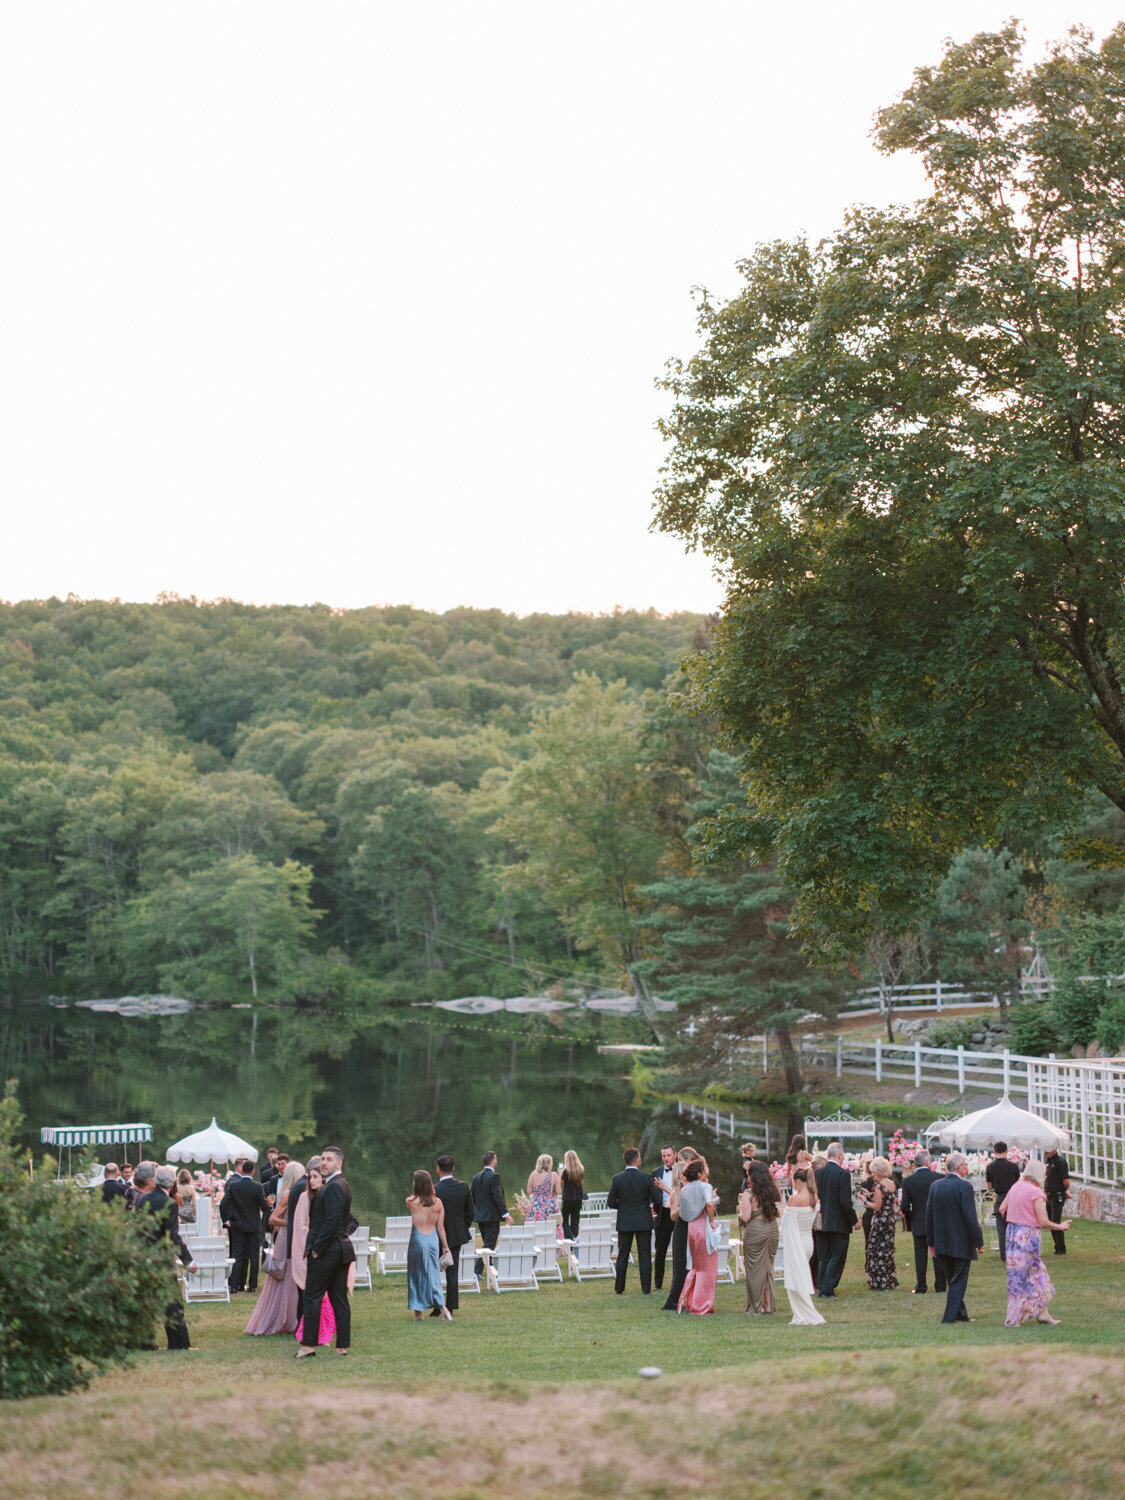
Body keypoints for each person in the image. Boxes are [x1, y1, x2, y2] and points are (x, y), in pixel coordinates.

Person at [295, 1145, 354, 1359]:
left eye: (329, 1159)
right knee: (338, 1298)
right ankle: (341, 1347)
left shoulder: (336, 1186)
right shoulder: (334, 1185)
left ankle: (307, 1346)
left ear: (339, 1163)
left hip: (329, 1251)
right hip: (339, 1250)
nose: (324, 1162)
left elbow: (331, 1222)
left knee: (312, 1297)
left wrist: (317, 1249)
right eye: (322, 1158)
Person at [999, 1157, 1070, 1326]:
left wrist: (1014, 1220)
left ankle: (1042, 1314)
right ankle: (1013, 1318)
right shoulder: (1036, 1193)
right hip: (1028, 1236)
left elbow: (1002, 1209)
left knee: (1026, 1275)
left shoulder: (1015, 1187)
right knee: (1029, 1275)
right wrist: (1060, 1227)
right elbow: (1043, 1221)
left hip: (1012, 1235)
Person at [134, 1163, 198, 1349]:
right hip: (160, 1259)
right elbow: (172, 1236)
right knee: (172, 1304)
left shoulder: (141, 1199)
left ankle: (144, 1343)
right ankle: (178, 1343)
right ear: (172, 1182)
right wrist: (189, 1260)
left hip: (143, 1256)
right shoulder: (169, 1204)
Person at [925, 1150, 984, 1324]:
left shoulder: (935, 1186)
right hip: (960, 1242)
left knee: (953, 1280)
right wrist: (978, 1241)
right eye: (965, 1165)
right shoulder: (964, 1186)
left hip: (942, 1240)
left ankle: (961, 1313)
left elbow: (929, 1214)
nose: (966, 1168)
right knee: (958, 1281)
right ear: (959, 1168)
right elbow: (970, 1217)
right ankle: (949, 1318)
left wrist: (931, 1242)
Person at [244, 1159, 302, 1336]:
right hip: (286, 1238)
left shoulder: (300, 1193)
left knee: (295, 1278)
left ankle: (295, 1319)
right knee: (283, 1275)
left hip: (294, 1237)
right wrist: (291, 1223)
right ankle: (281, 1318)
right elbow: (272, 1219)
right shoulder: (288, 1194)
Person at [607, 1147, 663, 1295]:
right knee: (645, 1256)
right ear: (637, 1160)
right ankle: (646, 1288)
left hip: (625, 1221)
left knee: (622, 1255)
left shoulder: (617, 1179)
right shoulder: (646, 1178)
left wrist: (623, 1206)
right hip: (643, 1221)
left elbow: (610, 1202)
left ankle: (619, 1288)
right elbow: (657, 1199)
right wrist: (652, 1209)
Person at [406, 1169, 454, 1322]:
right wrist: (445, 1247)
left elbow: (416, 1198)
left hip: (417, 1241)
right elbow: (441, 1227)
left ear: (417, 1184)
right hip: (433, 1240)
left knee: (416, 1274)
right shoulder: (438, 1202)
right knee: (433, 1274)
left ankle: (418, 1312)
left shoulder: (410, 1201)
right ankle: (443, 1308)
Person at [779, 1166, 824, 1325]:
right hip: (808, 1242)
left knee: (795, 1280)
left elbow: (786, 1222)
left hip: (796, 1243)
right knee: (801, 1277)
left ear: (798, 1181)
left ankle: (810, 1315)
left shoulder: (794, 1199)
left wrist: (780, 1211)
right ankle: (804, 1314)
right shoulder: (814, 1197)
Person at [814, 1143, 858, 1297]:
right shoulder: (842, 1174)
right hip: (838, 1222)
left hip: (820, 1221)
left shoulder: (816, 1173)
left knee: (823, 1256)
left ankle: (822, 1286)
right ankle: (827, 1288)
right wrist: (854, 1220)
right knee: (837, 1255)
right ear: (840, 1156)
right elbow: (845, 1202)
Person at [219, 1157, 269, 1294]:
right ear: (252, 1171)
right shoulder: (258, 1187)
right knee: (253, 1257)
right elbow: (264, 1207)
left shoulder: (234, 1186)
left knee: (237, 1255)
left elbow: (223, 1204)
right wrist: (267, 1204)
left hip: (238, 1225)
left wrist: (226, 1220)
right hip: (253, 1225)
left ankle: (234, 1285)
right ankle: (252, 1286)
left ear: (243, 1170)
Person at [901, 1150, 945, 1296]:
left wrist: (912, 1217)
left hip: (919, 1221)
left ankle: (921, 1285)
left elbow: (904, 1206)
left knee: (920, 1256)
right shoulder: (939, 1178)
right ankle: (940, 1285)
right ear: (927, 1162)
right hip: (937, 1222)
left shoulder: (908, 1181)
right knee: (937, 1255)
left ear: (915, 1164)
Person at [677, 1159, 718, 1315]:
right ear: (700, 1173)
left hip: (691, 1228)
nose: (707, 1172)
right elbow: (709, 1204)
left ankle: (685, 1301)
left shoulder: (685, 1189)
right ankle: (702, 1305)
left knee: (696, 1267)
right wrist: (712, 1221)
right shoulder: (705, 1186)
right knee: (707, 1269)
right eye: (705, 1170)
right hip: (703, 1227)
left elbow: (682, 1212)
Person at [738, 1159, 780, 1314]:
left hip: (756, 1231)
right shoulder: (774, 1191)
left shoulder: (748, 1194)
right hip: (772, 1230)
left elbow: (747, 1217)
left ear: (753, 1175)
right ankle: (769, 1305)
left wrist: (740, 1213)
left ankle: (756, 1306)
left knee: (754, 1270)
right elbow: (778, 1211)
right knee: (768, 1268)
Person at [434, 1155, 474, 1313]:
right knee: (453, 1271)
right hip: (456, 1235)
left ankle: (437, 1307)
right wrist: (462, 1228)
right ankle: (450, 1307)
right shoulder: (463, 1187)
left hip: (436, 1234)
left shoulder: (435, 1189)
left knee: (435, 1271)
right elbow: (471, 1212)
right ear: (453, 1168)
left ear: (438, 1169)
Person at [290, 1156, 322, 1332]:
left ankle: (319, 1326)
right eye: (311, 1177)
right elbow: (300, 1226)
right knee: (303, 1292)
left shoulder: (326, 1196)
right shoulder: (304, 1197)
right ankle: (302, 1326)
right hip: (305, 1249)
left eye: (316, 1177)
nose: (313, 1180)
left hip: (323, 1251)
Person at [471, 1151, 512, 1278]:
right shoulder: (494, 1177)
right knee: (489, 1245)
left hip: (480, 1217)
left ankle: (490, 1269)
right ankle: (476, 1271)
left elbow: (472, 1196)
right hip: (491, 1217)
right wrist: (505, 1214)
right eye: (496, 1158)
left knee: (487, 1243)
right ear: (493, 1160)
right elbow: (497, 1197)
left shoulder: (476, 1177)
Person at [864, 1156, 900, 1291]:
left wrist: (865, 1201)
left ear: (878, 1171)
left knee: (876, 1250)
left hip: (880, 1220)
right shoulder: (891, 1183)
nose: (872, 1174)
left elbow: (877, 1207)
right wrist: (870, 1195)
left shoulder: (878, 1185)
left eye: (873, 1171)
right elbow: (886, 1201)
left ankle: (880, 1281)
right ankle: (889, 1279)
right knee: (887, 1250)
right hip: (890, 1220)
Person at [985, 1142, 1021, 1262]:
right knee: (1015, 1225)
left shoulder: (990, 1167)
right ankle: (1015, 1252)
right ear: (1007, 1151)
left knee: (1001, 1228)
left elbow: (989, 1186)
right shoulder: (1013, 1166)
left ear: (994, 1152)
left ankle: (1004, 1255)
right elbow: (1018, 1183)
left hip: (1000, 1198)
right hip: (1013, 1197)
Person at [650, 1144, 676, 1290]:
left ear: (675, 1155)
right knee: (660, 1250)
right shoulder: (656, 1172)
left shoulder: (682, 1171)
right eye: (663, 1156)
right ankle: (657, 1284)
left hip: (678, 1213)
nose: (666, 1158)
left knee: (678, 1249)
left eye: (668, 1155)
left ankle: (677, 1282)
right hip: (663, 1214)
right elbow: (652, 1194)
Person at [1044, 1146, 1071, 1254]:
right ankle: (1057, 1247)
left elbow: (1066, 1181)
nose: (1045, 1150)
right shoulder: (1050, 1161)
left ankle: (1061, 1249)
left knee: (1055, 1222)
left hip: (1057, 1195)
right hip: (1049, 1195)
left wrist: (1063, 1191)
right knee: (1051, 1222)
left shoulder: (1060, 1162)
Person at [560, 1149, 586, 1245]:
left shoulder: (566, 1172)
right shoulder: (581, 1169)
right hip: (578, 1198)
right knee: (575, 1221)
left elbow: (560, 1185)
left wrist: (560, 1174)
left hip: (568, 1198)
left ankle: (571, 1239)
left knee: (564, 1221)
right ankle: (575, 1239)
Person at [525, 1154, 561, 1221]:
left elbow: (529, 1191)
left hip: (536, 1206)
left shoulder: (533, 1174)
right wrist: (560, 1177)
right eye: (551, 1163)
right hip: (550, 1205)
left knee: (536, 1228)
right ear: (547, 1164)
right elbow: (558, 1192)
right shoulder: (554, 1175)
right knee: (552, 1227)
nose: (552, 1165)